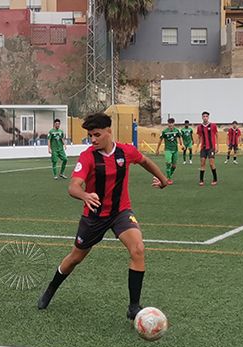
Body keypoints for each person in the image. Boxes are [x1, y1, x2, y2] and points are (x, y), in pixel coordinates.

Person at [37, 112, 170, 320]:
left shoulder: (126, 151)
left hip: (120, 212)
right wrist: (84, 195)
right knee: (75, 258)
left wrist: (163, 179)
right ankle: (51, 289)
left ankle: (133, 307)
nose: (93, 139)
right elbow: (73, 186)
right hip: (94, 216)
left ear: (109, 131)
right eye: (90, 136)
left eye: (97, 135)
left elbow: (144, 161)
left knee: (138, 249)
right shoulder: (88, 156)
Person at [155, 118, 182, 183]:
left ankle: (167, 177)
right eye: (169, 123)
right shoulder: (164, 131)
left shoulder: (177, 131)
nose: (170, 125)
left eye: (172, 123)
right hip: (168, 149)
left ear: (174, 124)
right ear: (168, 124)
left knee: (174, 166)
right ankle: (169, 179)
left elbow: (180, 137)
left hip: (175, 150)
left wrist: (182, 144)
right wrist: (157, 149)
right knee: (168, 163)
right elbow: (160, 140)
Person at [195, 111, 218, 186]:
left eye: (206, 116)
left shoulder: (213, 125)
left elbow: (216, 135)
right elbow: (199, 137)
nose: (205, 118)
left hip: (211, 147)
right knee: (202, 163)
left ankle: (215, 179)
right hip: (203, 148)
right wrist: (196, 147)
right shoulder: (199, 127)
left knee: (211, 164)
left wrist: (217, 146)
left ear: (208, 117)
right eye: (204, 116)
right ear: (202, 117)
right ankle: (201, 180)